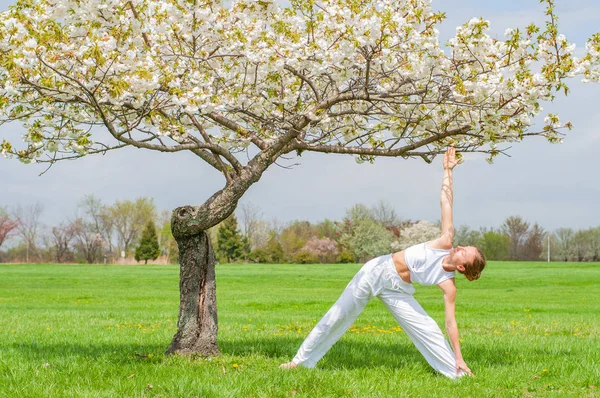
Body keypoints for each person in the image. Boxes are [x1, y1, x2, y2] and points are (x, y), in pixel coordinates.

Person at [280, 147, 486, 378]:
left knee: (429, 330)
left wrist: (459, 355)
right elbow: (446, 202)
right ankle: (299, 362)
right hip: (376, 272)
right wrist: (448, 171)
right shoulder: (445, 241)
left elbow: (450, 323)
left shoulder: (449, 285)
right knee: (339, 314)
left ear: (461, 267)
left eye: (464, 252)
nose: (459, 247)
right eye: (464, 246)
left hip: (397, 291)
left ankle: (458, 374)